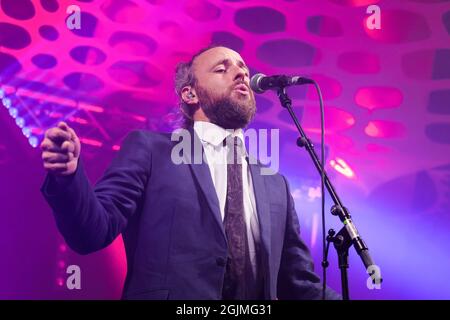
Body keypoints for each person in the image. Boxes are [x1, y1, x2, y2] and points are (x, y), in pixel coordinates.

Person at [40, 45, 340, 300]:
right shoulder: (151, 150)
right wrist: (69, 177)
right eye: (222, 69)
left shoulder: (274, 183)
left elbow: (298, 282)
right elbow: (92, 232)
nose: (241, 74)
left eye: (243, 69)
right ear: (190, 94)